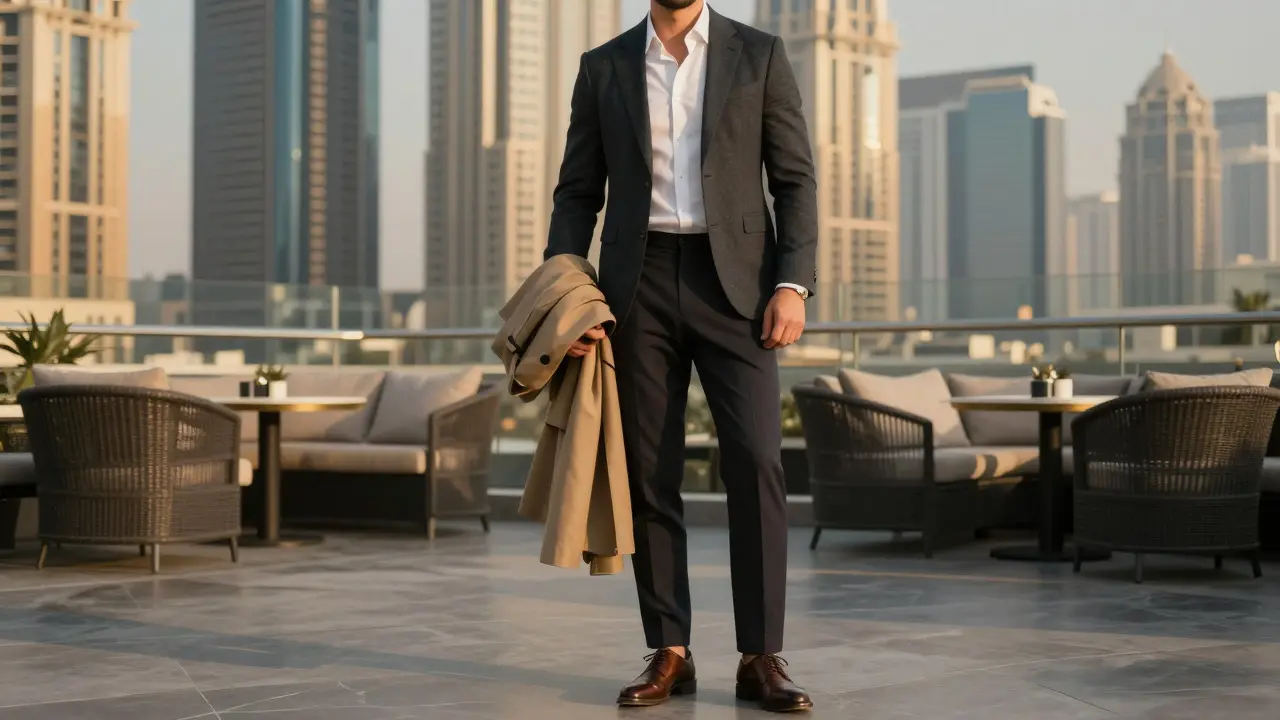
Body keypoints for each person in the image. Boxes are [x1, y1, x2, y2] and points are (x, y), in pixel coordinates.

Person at [545, 0, 817, 712]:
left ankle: (761, 656)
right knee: (648, 471)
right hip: (636, 288)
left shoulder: (758, 54)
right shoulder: (603, 67)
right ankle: (669, 648)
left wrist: (793, 283)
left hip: (741, 290)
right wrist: (565, 299)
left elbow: (794, 180)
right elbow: (577, 194)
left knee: (757, 458)